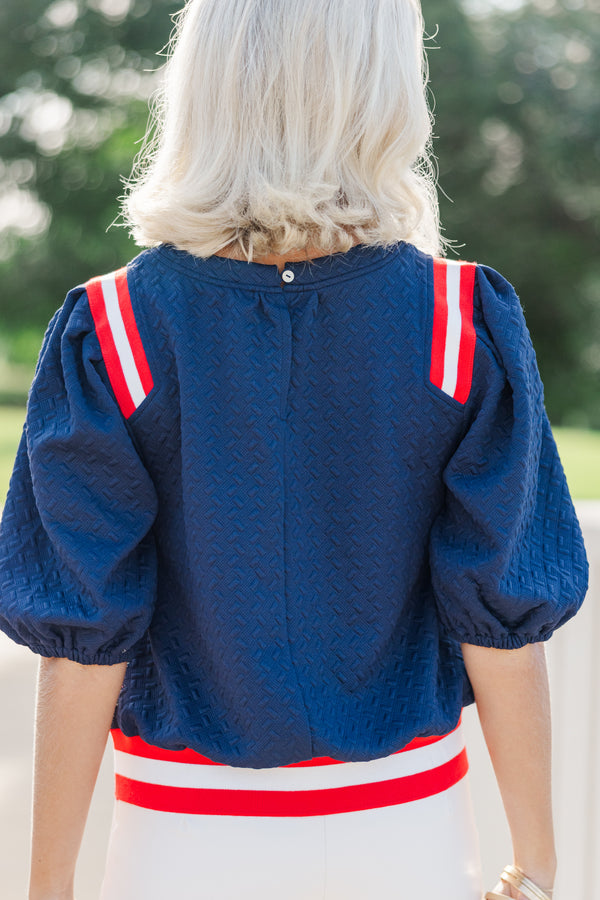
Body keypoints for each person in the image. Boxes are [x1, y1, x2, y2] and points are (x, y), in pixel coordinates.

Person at [0, 1, 589, 898]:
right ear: (385, 86)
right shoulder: (459, 325)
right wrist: (536, 865)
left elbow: (83, 639)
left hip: (177, 834)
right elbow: (502, 613)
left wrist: (47, 888)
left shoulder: (114, 329)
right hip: (408, 828)